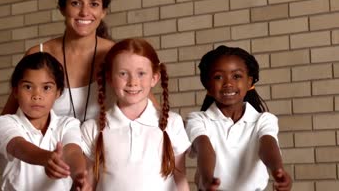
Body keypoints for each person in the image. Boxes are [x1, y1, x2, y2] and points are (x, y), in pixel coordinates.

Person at [2, 0, 115, 122]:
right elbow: (6, 121)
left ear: (103, 11)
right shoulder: (39, 53)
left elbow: (150, 112)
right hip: (49, 147)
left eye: (94, 4)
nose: (84, 12)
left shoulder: (117, 55)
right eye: (76, 3)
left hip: (103, 147)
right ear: (62, 8)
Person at [81, 38, 191, 191]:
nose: (133, 82)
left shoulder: (172, 123)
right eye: (123, 73)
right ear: (109, 78)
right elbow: (89, 184)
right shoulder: (92, 128)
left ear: (154, 78)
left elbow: (181, 179)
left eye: (141, 73)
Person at [186, 45, 292, 191]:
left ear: (249, 82)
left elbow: (267, 146)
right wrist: (207, 178)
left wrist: (278, 170)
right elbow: (204, 148)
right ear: (208, 85)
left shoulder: (263, 120)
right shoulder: (198, 120)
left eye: (236, 76)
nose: (228, 83)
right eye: (218, 77)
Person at [0, 52, 91, 191]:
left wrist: (79, 175)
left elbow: (72, 152)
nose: (37, 96)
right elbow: (19, 147)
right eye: (28, 87)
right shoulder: (5, 122)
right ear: (15, 91)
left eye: (46, 88)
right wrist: (48, 158)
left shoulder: (68, 124)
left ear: (58, 92)